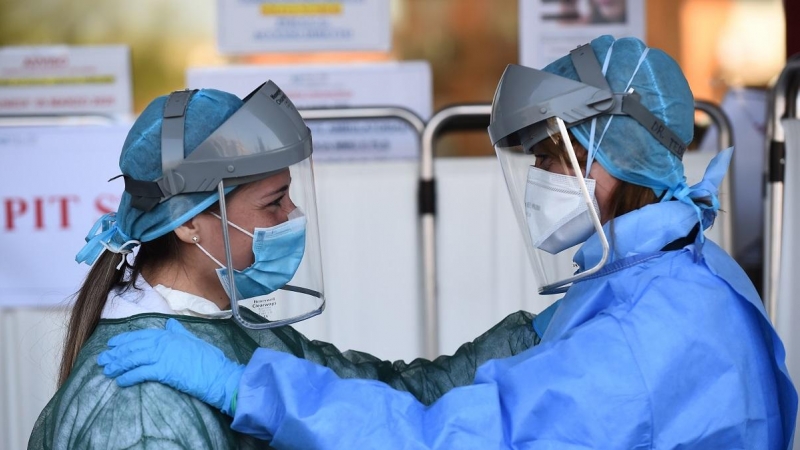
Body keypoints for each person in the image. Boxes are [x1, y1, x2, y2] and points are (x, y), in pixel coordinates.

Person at [98, 36, 798, 449]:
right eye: (272, 202)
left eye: (552, 159)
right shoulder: (686, 271)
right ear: (189, 222)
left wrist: (245, 387)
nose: (541, 180)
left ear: (608, 161)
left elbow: (440, 436)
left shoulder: (639, 328)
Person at [28, 82, 541, 449]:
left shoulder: (228, 329)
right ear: (188, 225)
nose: (293, 216)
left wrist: (543, 336)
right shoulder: (142, 408)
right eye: (274, 203)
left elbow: (393, 396)